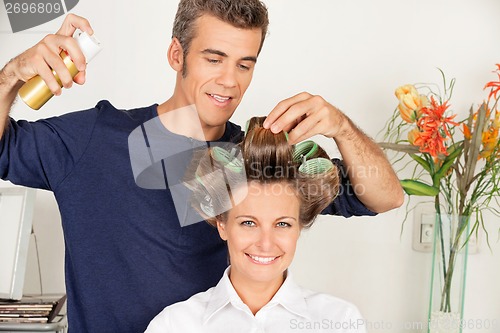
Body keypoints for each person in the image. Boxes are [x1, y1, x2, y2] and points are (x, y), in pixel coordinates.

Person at [0, 1, 402, 332]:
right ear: (177, 54)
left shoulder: (256, 160)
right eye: (214, 59)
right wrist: (13, 75)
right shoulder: (95, 138)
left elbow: (387, 196)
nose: (229, 81)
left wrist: (342, 128)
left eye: (244, 64)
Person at [145, 116, 367, 332]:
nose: (265, 243)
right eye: (249, 223)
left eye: (282, 224)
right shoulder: (175, 325)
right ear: (222, 224)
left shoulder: (340, 320)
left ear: (299, 227)